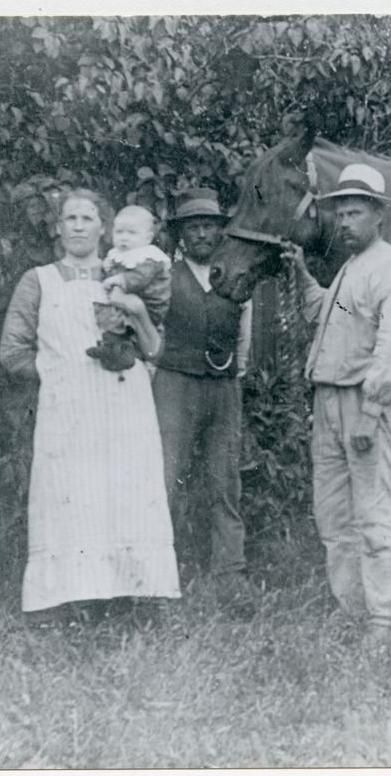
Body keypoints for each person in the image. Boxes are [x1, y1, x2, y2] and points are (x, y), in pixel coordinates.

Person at [0, 189, 179, 621]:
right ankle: (66, 599)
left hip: (124, 405)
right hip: (69, 411)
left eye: (88, 218)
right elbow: (11, 352)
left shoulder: (131, 273)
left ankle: (133, 595)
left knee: (127, 494)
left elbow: (154, 349)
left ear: (104, 227)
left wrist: (136, 313)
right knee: (70, 496)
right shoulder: (38, 280)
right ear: (58, 227)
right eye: (70, 218)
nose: (79, 226)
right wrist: (59, 374)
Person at [288, 164, 391, 646]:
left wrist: (371, 409)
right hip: (327, 402)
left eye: (355, 212)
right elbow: (335, 313)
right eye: (339, 213)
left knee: (372, 515)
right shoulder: (351, 270)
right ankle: (353, 610)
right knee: (333, 517)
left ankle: (384, 618)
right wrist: (304, 277)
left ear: (379, 215)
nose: (344, 223)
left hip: (365, 405)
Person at [152, 188, 254, 611]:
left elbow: (245, 332)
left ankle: (230, 571)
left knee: (224, 479)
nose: (201, 235)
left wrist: (234, 371)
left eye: (209, 226)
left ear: (219, 232)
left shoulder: (233, 275)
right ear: (180, 235)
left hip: (223, 385)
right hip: (174, 383)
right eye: (192, 227)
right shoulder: (164, 276)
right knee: (167, 475)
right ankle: (160, 568)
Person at [88, 205, 172, 374]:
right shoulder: (119, 254)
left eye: (131, 233)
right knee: (114, 316)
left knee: (114, 315)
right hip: (130, 300)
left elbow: (140, 278)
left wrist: (119, 278)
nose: (124, 238)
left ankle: (120, 350)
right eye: (119, 232)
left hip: (151, 305)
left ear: (147, 238)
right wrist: (108, 269)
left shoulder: (149, 256)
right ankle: (116, 351)